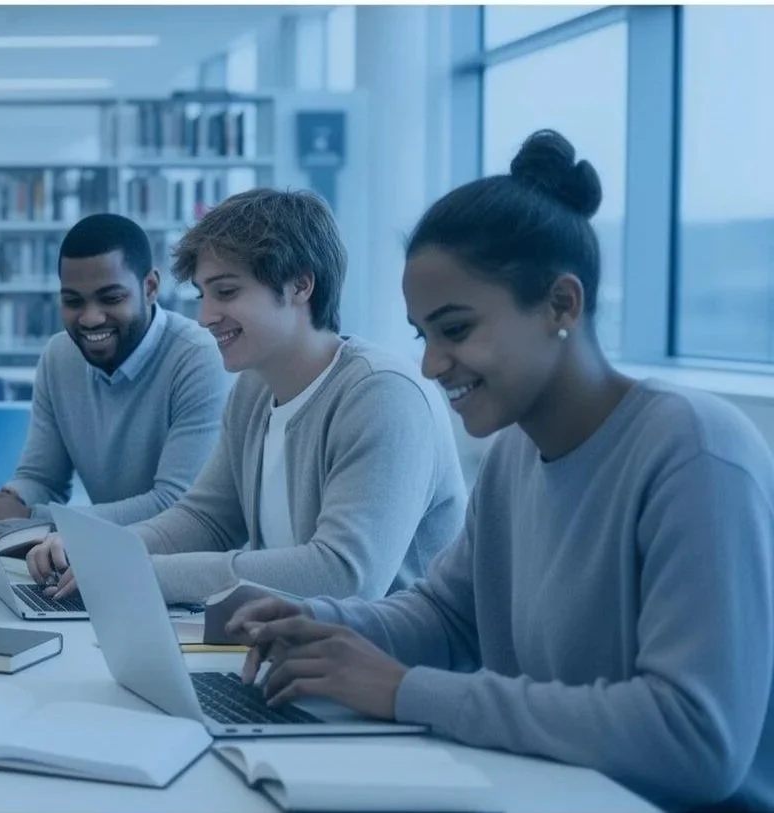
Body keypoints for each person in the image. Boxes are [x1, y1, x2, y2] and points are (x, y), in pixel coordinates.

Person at [227, 130, 774, 813]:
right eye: (424, 334)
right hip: (538, 789)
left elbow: (695, 737)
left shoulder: (694, 451)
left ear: (561, 305)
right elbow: (449, 615)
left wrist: (402, 689)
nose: (431, 364)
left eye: (456, 329)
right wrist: (321, 619)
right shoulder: (516, 452)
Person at [27, 188, 466, 605]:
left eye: (226, 292)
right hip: (293, 655)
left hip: (385, 671)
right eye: (203, 295)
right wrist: (100, 547)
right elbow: (205, 520)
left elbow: (345, 575)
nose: (205, 317)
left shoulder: (383, 395)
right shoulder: (254, 390)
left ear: (300, 286)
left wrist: (138, 573)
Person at [0, 213, 231, 526]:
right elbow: (43, 478)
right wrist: (13, 500)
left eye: (110, 298)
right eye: (73, 301)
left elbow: (174, 505)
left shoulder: (199, 358)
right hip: (108, 555)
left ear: (150, 288)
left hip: (190, 563)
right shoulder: (58, 356)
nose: (90, 318)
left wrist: (33, 517)